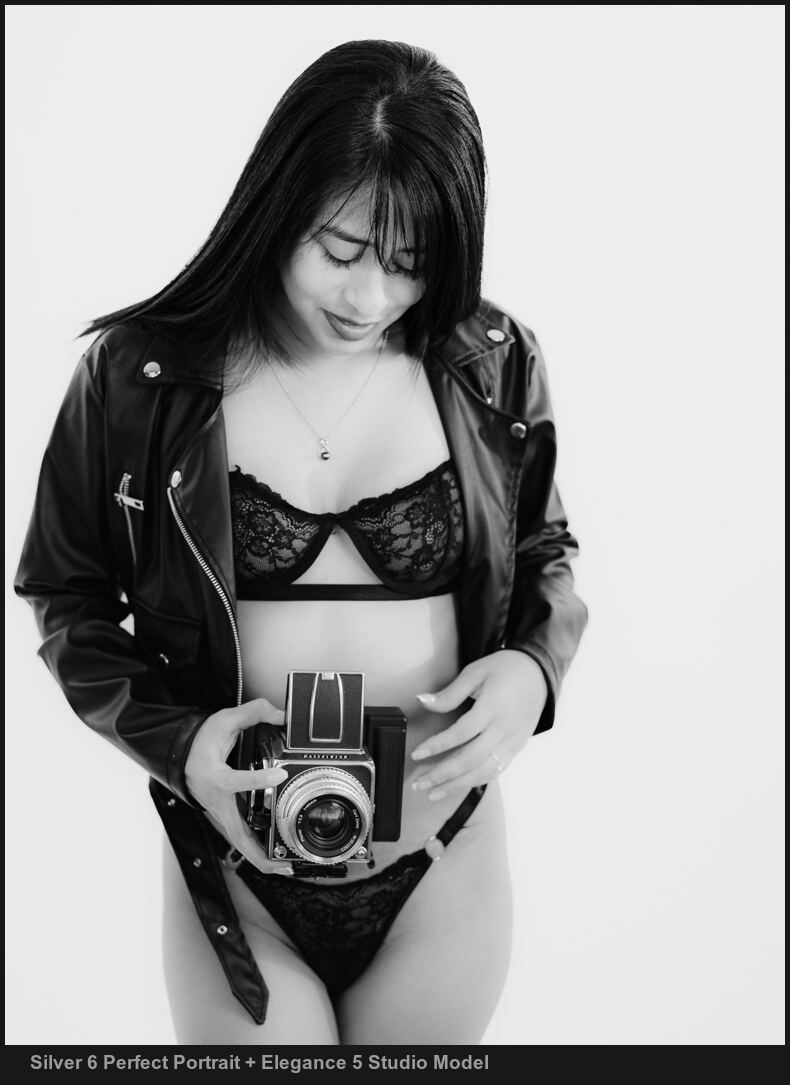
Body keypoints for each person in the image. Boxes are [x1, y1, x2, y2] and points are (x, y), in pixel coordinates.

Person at [14, 39, 588, 1045]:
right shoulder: (138, 377)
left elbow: (544, 547)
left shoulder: (492, 361)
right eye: (340, 249)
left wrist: (534, 669)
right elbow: (66, 595)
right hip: (238, 859)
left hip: (441, 860)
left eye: (409, 264)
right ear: (276, 206)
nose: (370, 299)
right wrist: (179, 744)